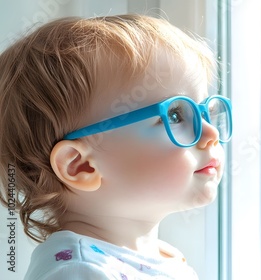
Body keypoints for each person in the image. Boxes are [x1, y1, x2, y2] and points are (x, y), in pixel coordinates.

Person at [0, 14, 232, 280]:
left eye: (204, 111)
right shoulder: (80, 272)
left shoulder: (160, 258)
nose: (211, 133)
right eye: (174, 115)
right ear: (81, 166)